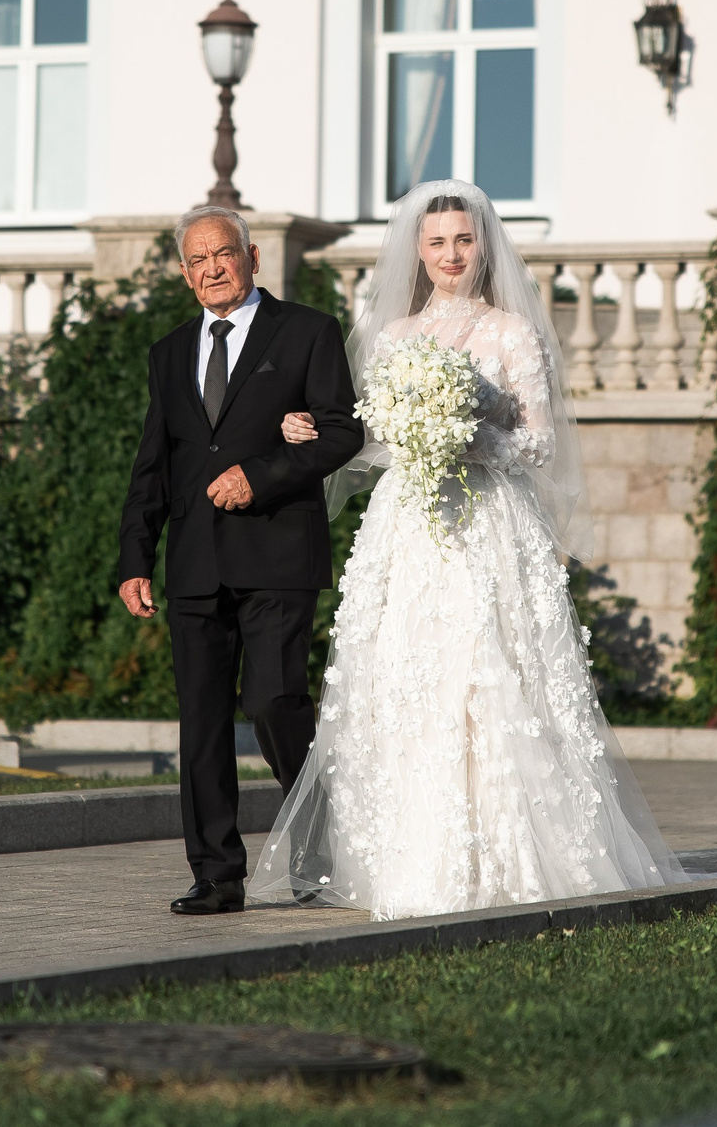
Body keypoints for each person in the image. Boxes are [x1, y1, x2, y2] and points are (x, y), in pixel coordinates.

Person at [251, 181, 684, 919]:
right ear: (417, 252)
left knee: (487, 680)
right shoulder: (393, 336)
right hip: (409, 527)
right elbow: (370, 434)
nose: (451, 255)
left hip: (487, 524)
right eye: (437, 242)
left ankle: (503, 858)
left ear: (483, 245)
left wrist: (463, 435)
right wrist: (319, 431)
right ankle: (403, 860)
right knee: (407, 678)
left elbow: (539, 443)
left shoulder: (511, 332)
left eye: (463, 240)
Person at [116, 204, 363, 915]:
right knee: (201, 720)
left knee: (273, 701)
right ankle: (216, 875)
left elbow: (342, 432)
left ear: (251, 257)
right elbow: (154, 464)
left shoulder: (307, 331)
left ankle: (317, 842)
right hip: (195, 559)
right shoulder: (168, 352)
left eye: (222, 254)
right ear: (184, 272)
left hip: (278, 552)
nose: (211, 269)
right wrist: (135, 558)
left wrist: (262, 475)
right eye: (197, 260)